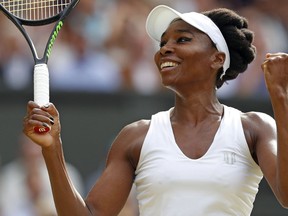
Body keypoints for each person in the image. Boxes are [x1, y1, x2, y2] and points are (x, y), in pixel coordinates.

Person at [22, 4, 288, 215]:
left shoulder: (254, 128)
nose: (165, 50)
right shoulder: (135, 137)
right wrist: (52, 150)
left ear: (217, 59)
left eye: (182, 39)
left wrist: (280, 97)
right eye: (162, 44)